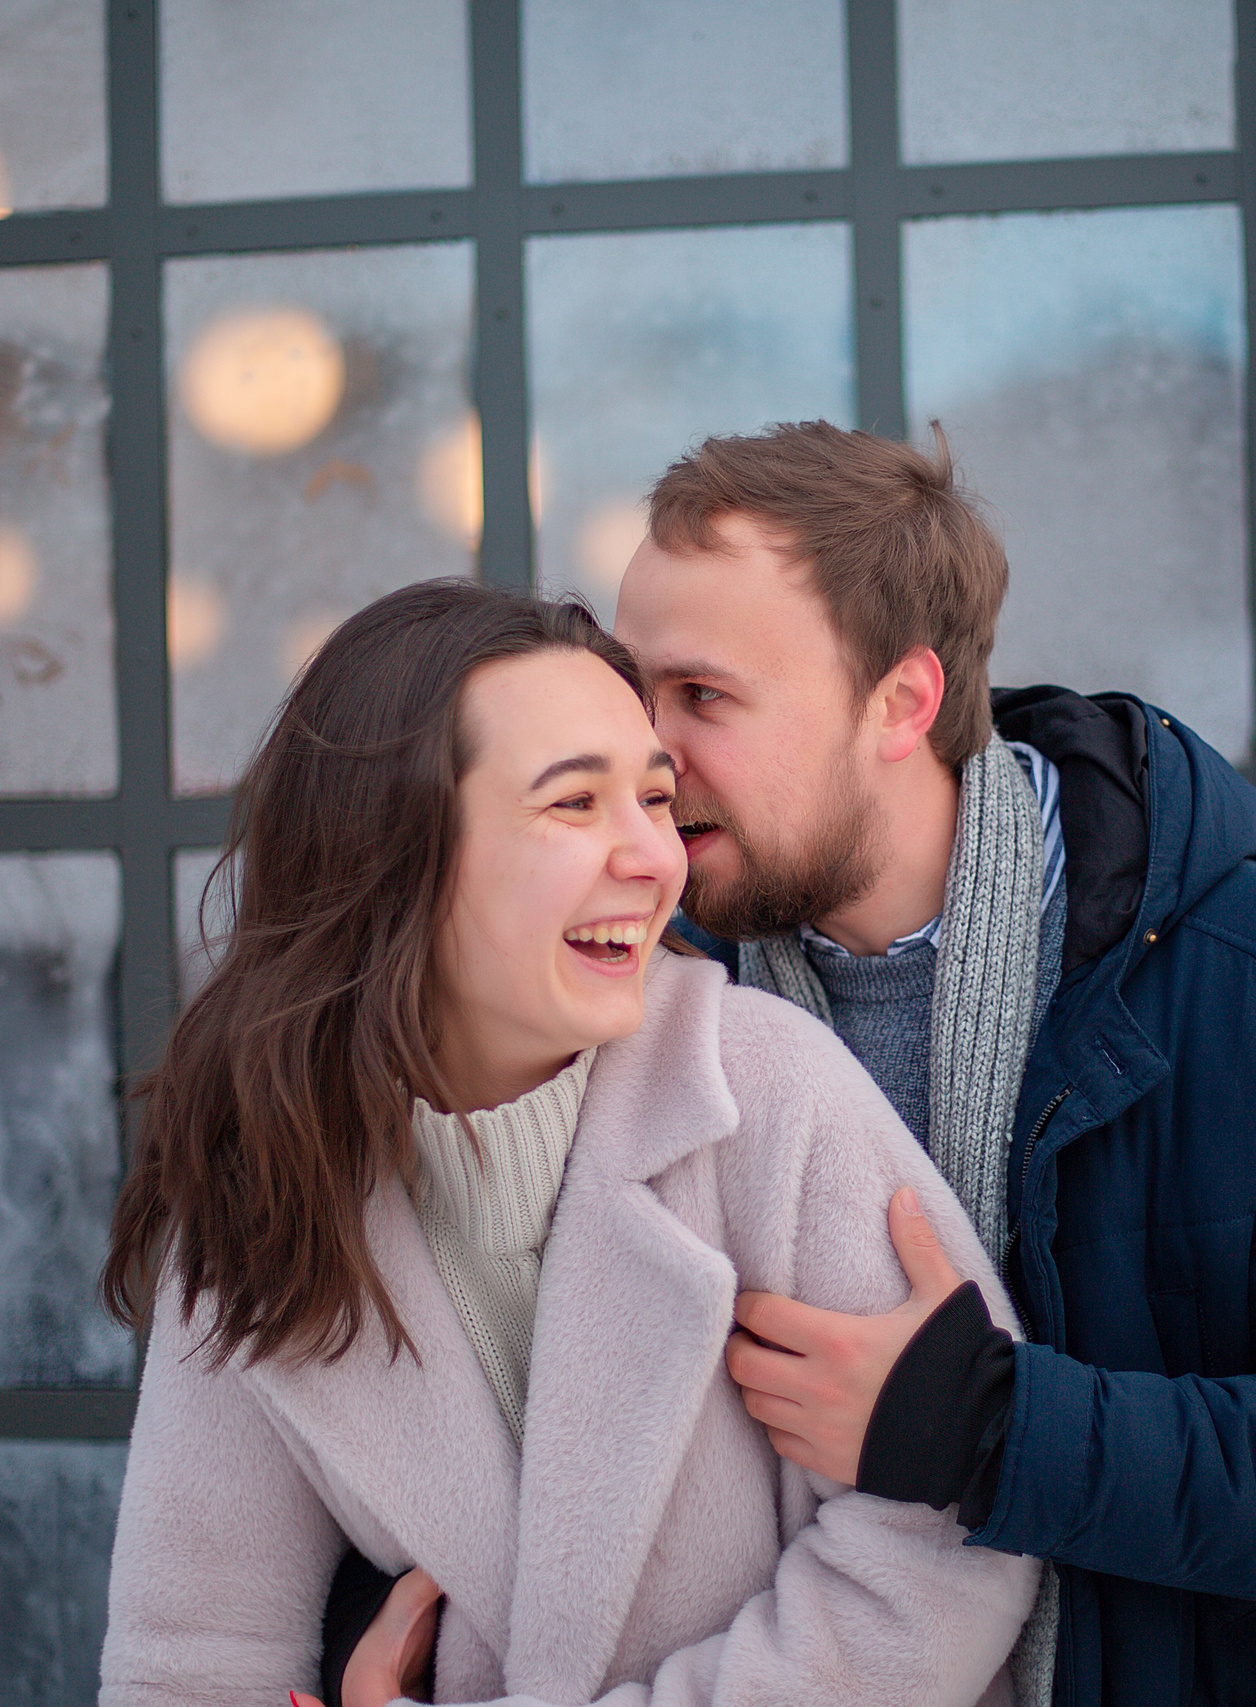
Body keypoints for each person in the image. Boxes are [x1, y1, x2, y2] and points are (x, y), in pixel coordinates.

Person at [616, 422, 1256, 1707]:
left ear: (902, 702)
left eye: (703, 696)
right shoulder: (644, 1005)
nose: (652, 759)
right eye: (636, 695)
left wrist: (998, 1431)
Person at [96, 581, 1038, 1707]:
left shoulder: (763, 1092)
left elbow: (946, 1553)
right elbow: (191, 1658)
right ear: (394, 853)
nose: (654, 859)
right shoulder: (269, 1186)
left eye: (653, 797)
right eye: (573, 805)